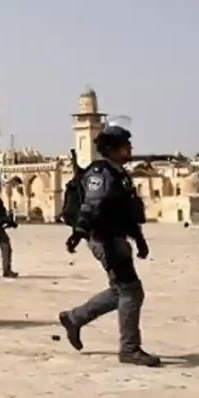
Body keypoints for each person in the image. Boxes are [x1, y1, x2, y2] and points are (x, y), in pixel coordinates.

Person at [59, 122, 160, 367]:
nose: (130, 149)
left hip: (116, 237)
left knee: (122, 291)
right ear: (113, 149)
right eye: (126, 145)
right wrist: (79, 232)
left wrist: (139, 239)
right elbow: (91, 205)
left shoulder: (118, 173)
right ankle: (129, 349)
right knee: (130, 291)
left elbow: (126, 212)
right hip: (104, 238)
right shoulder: (99, 173)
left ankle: (74, 318)